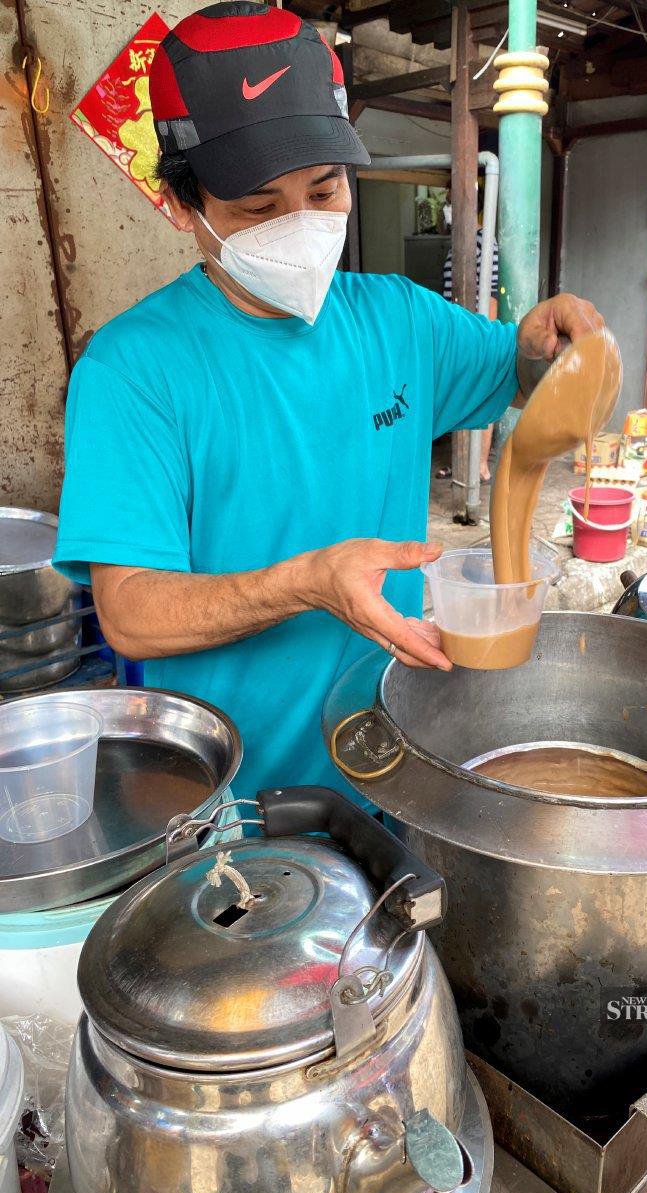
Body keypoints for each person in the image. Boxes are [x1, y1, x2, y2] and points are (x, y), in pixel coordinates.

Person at [54, 1, 606, 801]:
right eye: (257, 209)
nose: (303, 225)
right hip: (235, 810)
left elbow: (518, 371)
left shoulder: (400, 320)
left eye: (324, 188)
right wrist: (307, 581)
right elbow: (132, 613)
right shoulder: (134, 371)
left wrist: (547, 340)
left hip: (401, 768)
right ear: (181, 207)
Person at [441, 198, 499, 481]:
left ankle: (481, 465)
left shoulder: (485, 243)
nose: (447, 208)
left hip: (472, 333)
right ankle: (461, 463)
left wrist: (482, 340)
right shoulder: (458, 243)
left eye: (451, 202)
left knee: (481, 397)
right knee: (457, 398)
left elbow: (490, 297)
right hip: (454, 333)